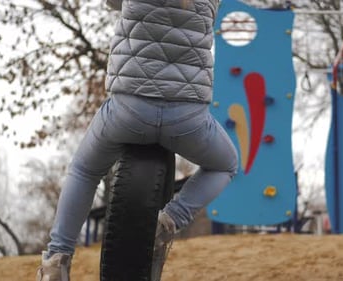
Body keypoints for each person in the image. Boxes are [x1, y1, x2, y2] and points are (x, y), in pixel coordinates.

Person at [36, 0, 237, 280]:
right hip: (187, 119)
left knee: (84, 170)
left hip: (128, 111)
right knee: (226, 165)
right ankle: (168, 222)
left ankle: (56, 262)